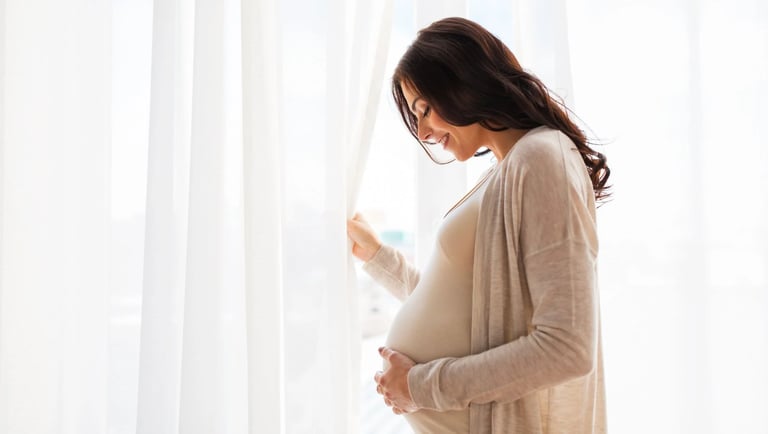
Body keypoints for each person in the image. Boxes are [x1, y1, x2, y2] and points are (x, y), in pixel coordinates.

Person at [347, 17, 609, 434]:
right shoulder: (511, 167)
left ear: (462, 82)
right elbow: (472, 312)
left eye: (425, 110)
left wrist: (419, 387)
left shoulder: (541, 159)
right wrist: (378, 258)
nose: (423, 132)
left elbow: (567, 348)